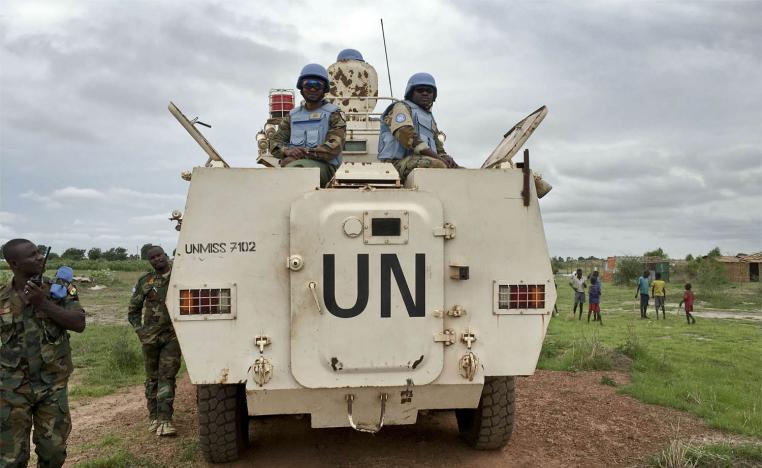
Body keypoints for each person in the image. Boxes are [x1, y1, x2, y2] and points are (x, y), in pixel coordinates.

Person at [0, 239, 86, 467]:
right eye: (32, 255)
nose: (39, 257)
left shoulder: (59, 290)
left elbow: (79, 323)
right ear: (15, 264)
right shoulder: (2, 297)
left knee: (54, 453)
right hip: (11, 390)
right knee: (10, 458)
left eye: (39, 252)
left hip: (52, 386)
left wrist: (43, 303)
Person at [128, 246, 181, 436]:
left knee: (167, 376)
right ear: (149, 261)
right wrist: (139, 331)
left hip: (173, 336)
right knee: (152, 379)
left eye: (159, 255)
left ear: (165, 255)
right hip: (150, 338)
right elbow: (133, 311)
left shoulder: (181, 274)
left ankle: (166, 420)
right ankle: (153, 417)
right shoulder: (146, 281)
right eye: (152, 257)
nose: (157, 259)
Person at [270, 63, 346, 187]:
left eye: (317, 85)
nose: (312, 89)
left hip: (325, 168)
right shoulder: (292, 116)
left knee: (297, 170)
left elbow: (333, 148)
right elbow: (274, 143)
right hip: (293, 165)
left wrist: (301, 154)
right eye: (308, 85)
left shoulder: (334, 114)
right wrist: (287, 151)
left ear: (324, 89)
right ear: (301, 88)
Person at [378, 72, 459, 182]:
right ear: (411, 93)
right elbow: (406, 134)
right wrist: (439, 158)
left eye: (429, 91)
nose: (425, 93)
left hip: (420, 160)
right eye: (420, 90)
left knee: (461, 171)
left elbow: (437, 145)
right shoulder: (401, 107)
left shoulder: (429, 117)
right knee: (437, 164)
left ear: (433, 95)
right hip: (395, 165)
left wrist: (445, 157)